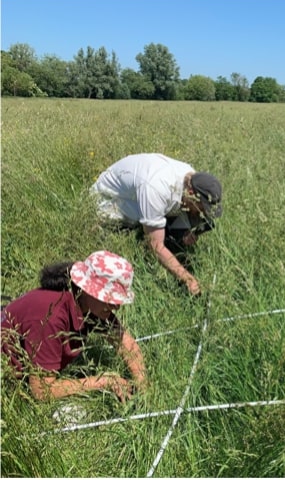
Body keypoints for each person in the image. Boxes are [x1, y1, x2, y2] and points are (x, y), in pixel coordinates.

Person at [1, 250, 147, 402]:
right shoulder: (51, 316)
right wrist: (103, 382)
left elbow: (125, 343)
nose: (116, 307)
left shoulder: (89, 304)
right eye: (109, 299)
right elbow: (41, 391)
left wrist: (142, 387)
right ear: (86, 289)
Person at [91, 153, 223, 296]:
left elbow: (192, 211)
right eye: (202, 207)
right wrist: (187, 278)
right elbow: (155, 246)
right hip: (110, 201)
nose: (201, 212)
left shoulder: (192, 178)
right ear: (191, 193)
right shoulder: (156, 188)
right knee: (143, 234)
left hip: (147, 195)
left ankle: (161, 226)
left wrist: (192, 232)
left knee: (180, 222)